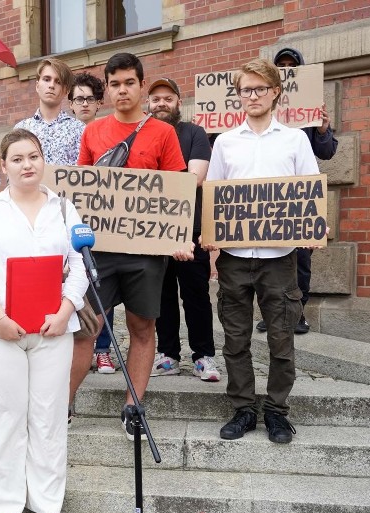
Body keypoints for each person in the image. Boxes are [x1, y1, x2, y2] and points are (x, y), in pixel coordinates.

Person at [0, 129, 88, 513]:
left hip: (53, 329)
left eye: (33, 156)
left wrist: (67, 310)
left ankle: (49, 507)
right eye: (16, 159)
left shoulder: (65, 209)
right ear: (3, 165)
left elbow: (82, 265)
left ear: (43, 159)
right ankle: (7, 512)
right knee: (4, 417)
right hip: (0, 333)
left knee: (49, 417)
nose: (27, 164)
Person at [70, 52, 186, 440]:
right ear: (108, 88)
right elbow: (82, 193)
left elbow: (176, 191)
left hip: (146, 253)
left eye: (129, 83)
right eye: (115, 83)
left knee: (142, 326)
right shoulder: (93, 132)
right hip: (99, 250)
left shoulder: (163, 133)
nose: (122, 90)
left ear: (140, 84)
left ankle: (133, 405)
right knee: (87, 327)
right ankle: (63, 404)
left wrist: (179, 237)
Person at [206, 59, 320, 445]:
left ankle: (276, 412)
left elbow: (309, 192)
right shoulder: (224, 141)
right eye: (244, 90)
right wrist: (210, 240)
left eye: (259, 89)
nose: (251, 96)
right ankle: (242, 410)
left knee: (281, 338)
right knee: (235, 339)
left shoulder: (295, 140)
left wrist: (314, 229)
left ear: (275, 92)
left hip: (280, 258)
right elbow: (214, 196)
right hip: (235, 257)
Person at [256, 47, 339, 335]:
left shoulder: (309, 110)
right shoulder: (259, 110)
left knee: (300, 259)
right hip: (266, 194)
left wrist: (322, 129)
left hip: (298, 196)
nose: (287, 69)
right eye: (281, 66)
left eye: (292, 66)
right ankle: (270, 314)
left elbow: (327, 152)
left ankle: (298, 312)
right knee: (266, 258)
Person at [145, 77, 219, 382]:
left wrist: (155, 181)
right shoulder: (142, 135)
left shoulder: (194, 133)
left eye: (168, 98)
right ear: (148, 103)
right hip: (152, 231)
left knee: (196, 295)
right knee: (161, 297)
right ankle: (168, 355)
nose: (162, 103)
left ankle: (203, 356)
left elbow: (196, 178)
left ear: (178, 102)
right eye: (156, 98)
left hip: (191, 230)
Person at [68, 72, 117, 375]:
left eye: (90, 98)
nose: (84, 103)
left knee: (102, 287)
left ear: (100, 103)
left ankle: (102, 350)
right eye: (78, 99)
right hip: (71, 222)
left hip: (106, 223)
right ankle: (76, 346)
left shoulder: (109, 133)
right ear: (70, 104)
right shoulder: (62, 135)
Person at [14, 58, 84, 166]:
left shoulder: (79, 129)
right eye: (47, 79)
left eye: (58, 82)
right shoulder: (21, 129)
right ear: (37, 86)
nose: (51, 85)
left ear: (66, 90)